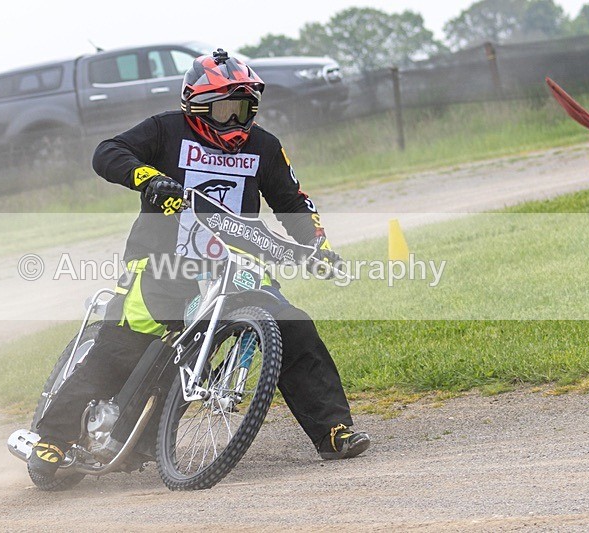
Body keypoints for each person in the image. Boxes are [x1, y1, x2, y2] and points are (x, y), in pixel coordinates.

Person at [28, 49, 369, 482]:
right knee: (120, 350)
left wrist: (315, 245)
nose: (235, 121)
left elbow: (293, 203)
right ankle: (52, 438)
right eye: (224, 110)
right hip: (163, 264)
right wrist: (149, 179)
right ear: (195, 106)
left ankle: (333, 432)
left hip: (235, 266)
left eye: (243, 109)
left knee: (293, 325)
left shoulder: (264, 147)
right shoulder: (164, 129)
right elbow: (107, 153)